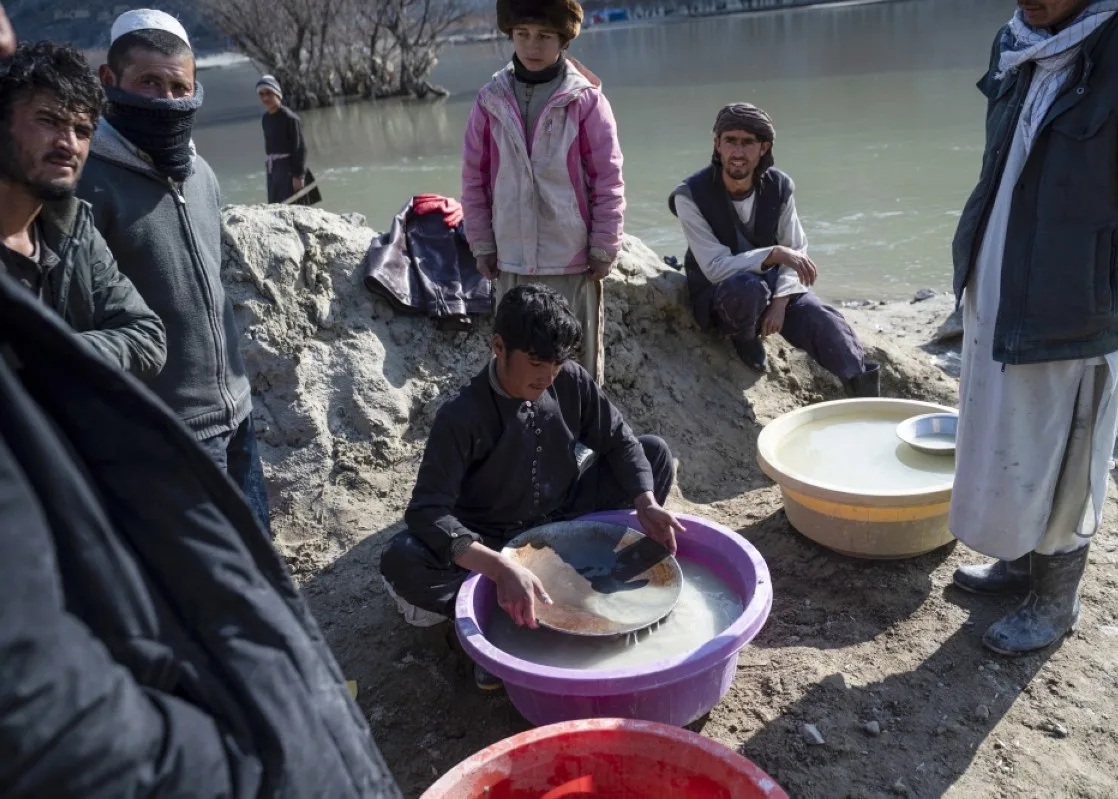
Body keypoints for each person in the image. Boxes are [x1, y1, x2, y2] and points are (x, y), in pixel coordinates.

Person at [0, 257, 403, 799]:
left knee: (253, 585)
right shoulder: (106, 192)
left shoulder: (87, 223)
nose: (73, 163)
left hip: (218, 424)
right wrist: (235, 766)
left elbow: (147, 333)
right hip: (154, 449)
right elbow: (41, 711)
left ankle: (303, 704)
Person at [949, 0, 1118, 655]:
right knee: (1008, 429)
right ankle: (1016, 558)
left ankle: (1055, 600)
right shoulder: (1019, 38)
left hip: (1076, 307)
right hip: (1003, 283)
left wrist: (1111, 290)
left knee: (1069, 452)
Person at [380, 284, 682, 691]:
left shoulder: (569, 379)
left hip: (565, 516)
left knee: (654, 454)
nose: (548, 376)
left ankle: (595, 589)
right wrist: (499, 566)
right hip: (492, 540)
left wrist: (645, 502)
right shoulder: (461, 416)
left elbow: (618, 439)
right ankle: (491, 622)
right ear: (499, 347)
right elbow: (427, 511)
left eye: (557, 363)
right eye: (537, 362)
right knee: (402, 558)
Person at [76, 10, 272, 536]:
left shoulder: (201, 173)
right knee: (205, 586)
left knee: (259, 555)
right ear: (109, 83)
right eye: (148, 83)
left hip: (236, 416)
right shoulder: (85, 185)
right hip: (162, 430)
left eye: (178, 86)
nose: (165, 101)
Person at [462, 0, 624, 383]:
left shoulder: (586, 102)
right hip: (512, 261)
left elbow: (608, 179)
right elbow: (474, 178)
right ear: (511, 35)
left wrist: (604, 245)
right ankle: (519, 437)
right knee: (515, 365)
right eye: (523, 35)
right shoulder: (489, 101)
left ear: (564, 40)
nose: (532, 46)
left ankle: (578, 437)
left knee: (572, 365)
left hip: (569, 259)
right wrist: (482, 243)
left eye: (544, 36)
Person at [668, 103, 879, 395]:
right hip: (724, 295)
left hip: (774, 288)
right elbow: (715, 267)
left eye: (748, 143)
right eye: (730, 141)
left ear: (763, 148)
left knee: (824, 321)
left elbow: (796, 247)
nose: (738, 152)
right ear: (717, 144)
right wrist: (774, 254)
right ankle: (744, 339)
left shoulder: (779, 187)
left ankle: (864, 395)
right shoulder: (689, 195)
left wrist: (781, 301)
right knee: (746, 289)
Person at [0, 41, 165, 379]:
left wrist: (50, 353)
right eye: (48, 121)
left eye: (82, 130)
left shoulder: (73, 230)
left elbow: (147, 337)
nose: (69, 144)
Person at [256, 74, 318, 206]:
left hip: (289, 170)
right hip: (273, 170)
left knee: (292, 206)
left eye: (269, 93)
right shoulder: (265, 119)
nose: (265, 97)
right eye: (261, 94)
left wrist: (298, 176)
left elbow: (300, 148)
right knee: (275, 206)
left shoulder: (290, 118)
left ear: (277, 94)